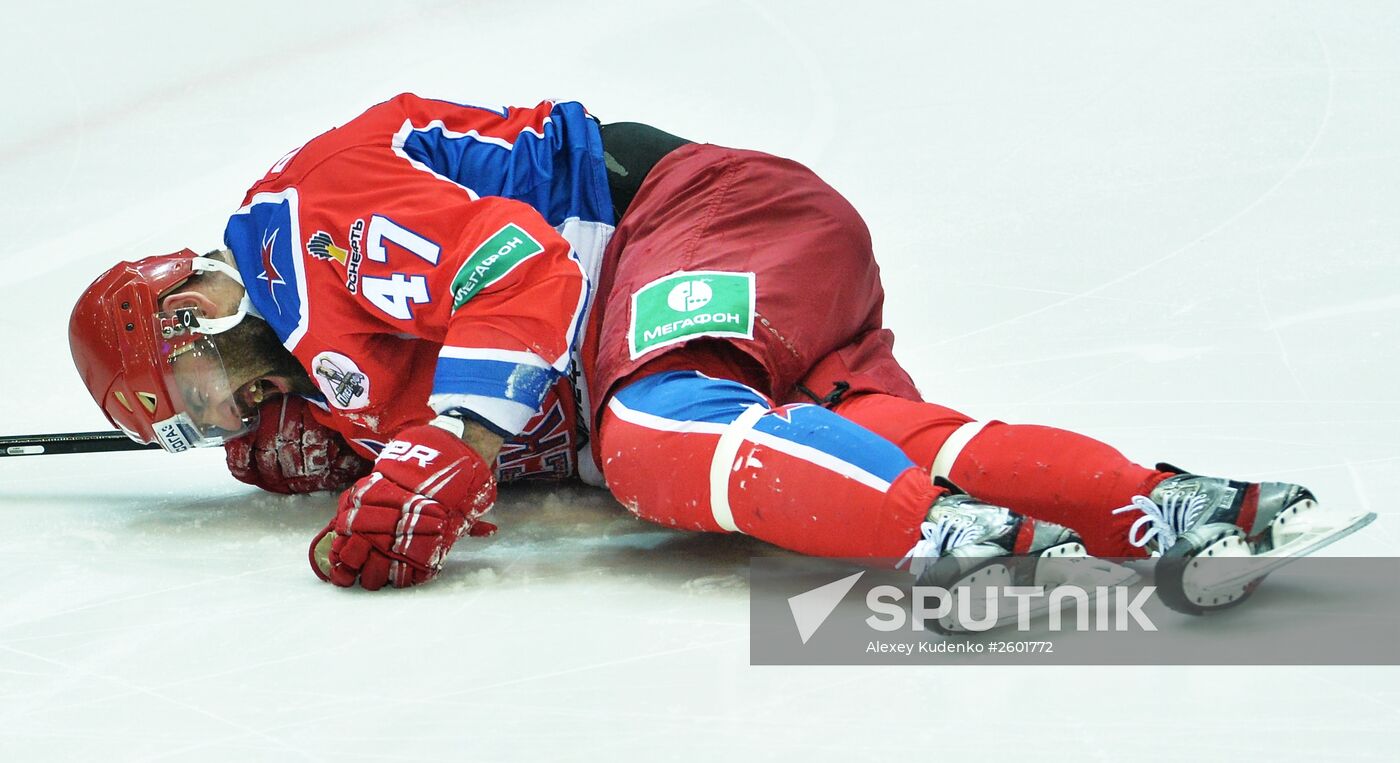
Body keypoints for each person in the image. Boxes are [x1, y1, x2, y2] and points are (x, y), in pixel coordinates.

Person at [67, 94, 1371, 618]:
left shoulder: (304, 229)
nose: (217, 430)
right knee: (855, 428)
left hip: (694, 218)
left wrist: (451, 445)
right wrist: (356, 454)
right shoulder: (300, 356)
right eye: (184, 438)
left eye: (184, 408)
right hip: (720, 277)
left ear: (186, 314)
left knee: (654, 433)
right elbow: (425, 393)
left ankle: (940, 535)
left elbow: (519, 268)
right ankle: (1167, 510)